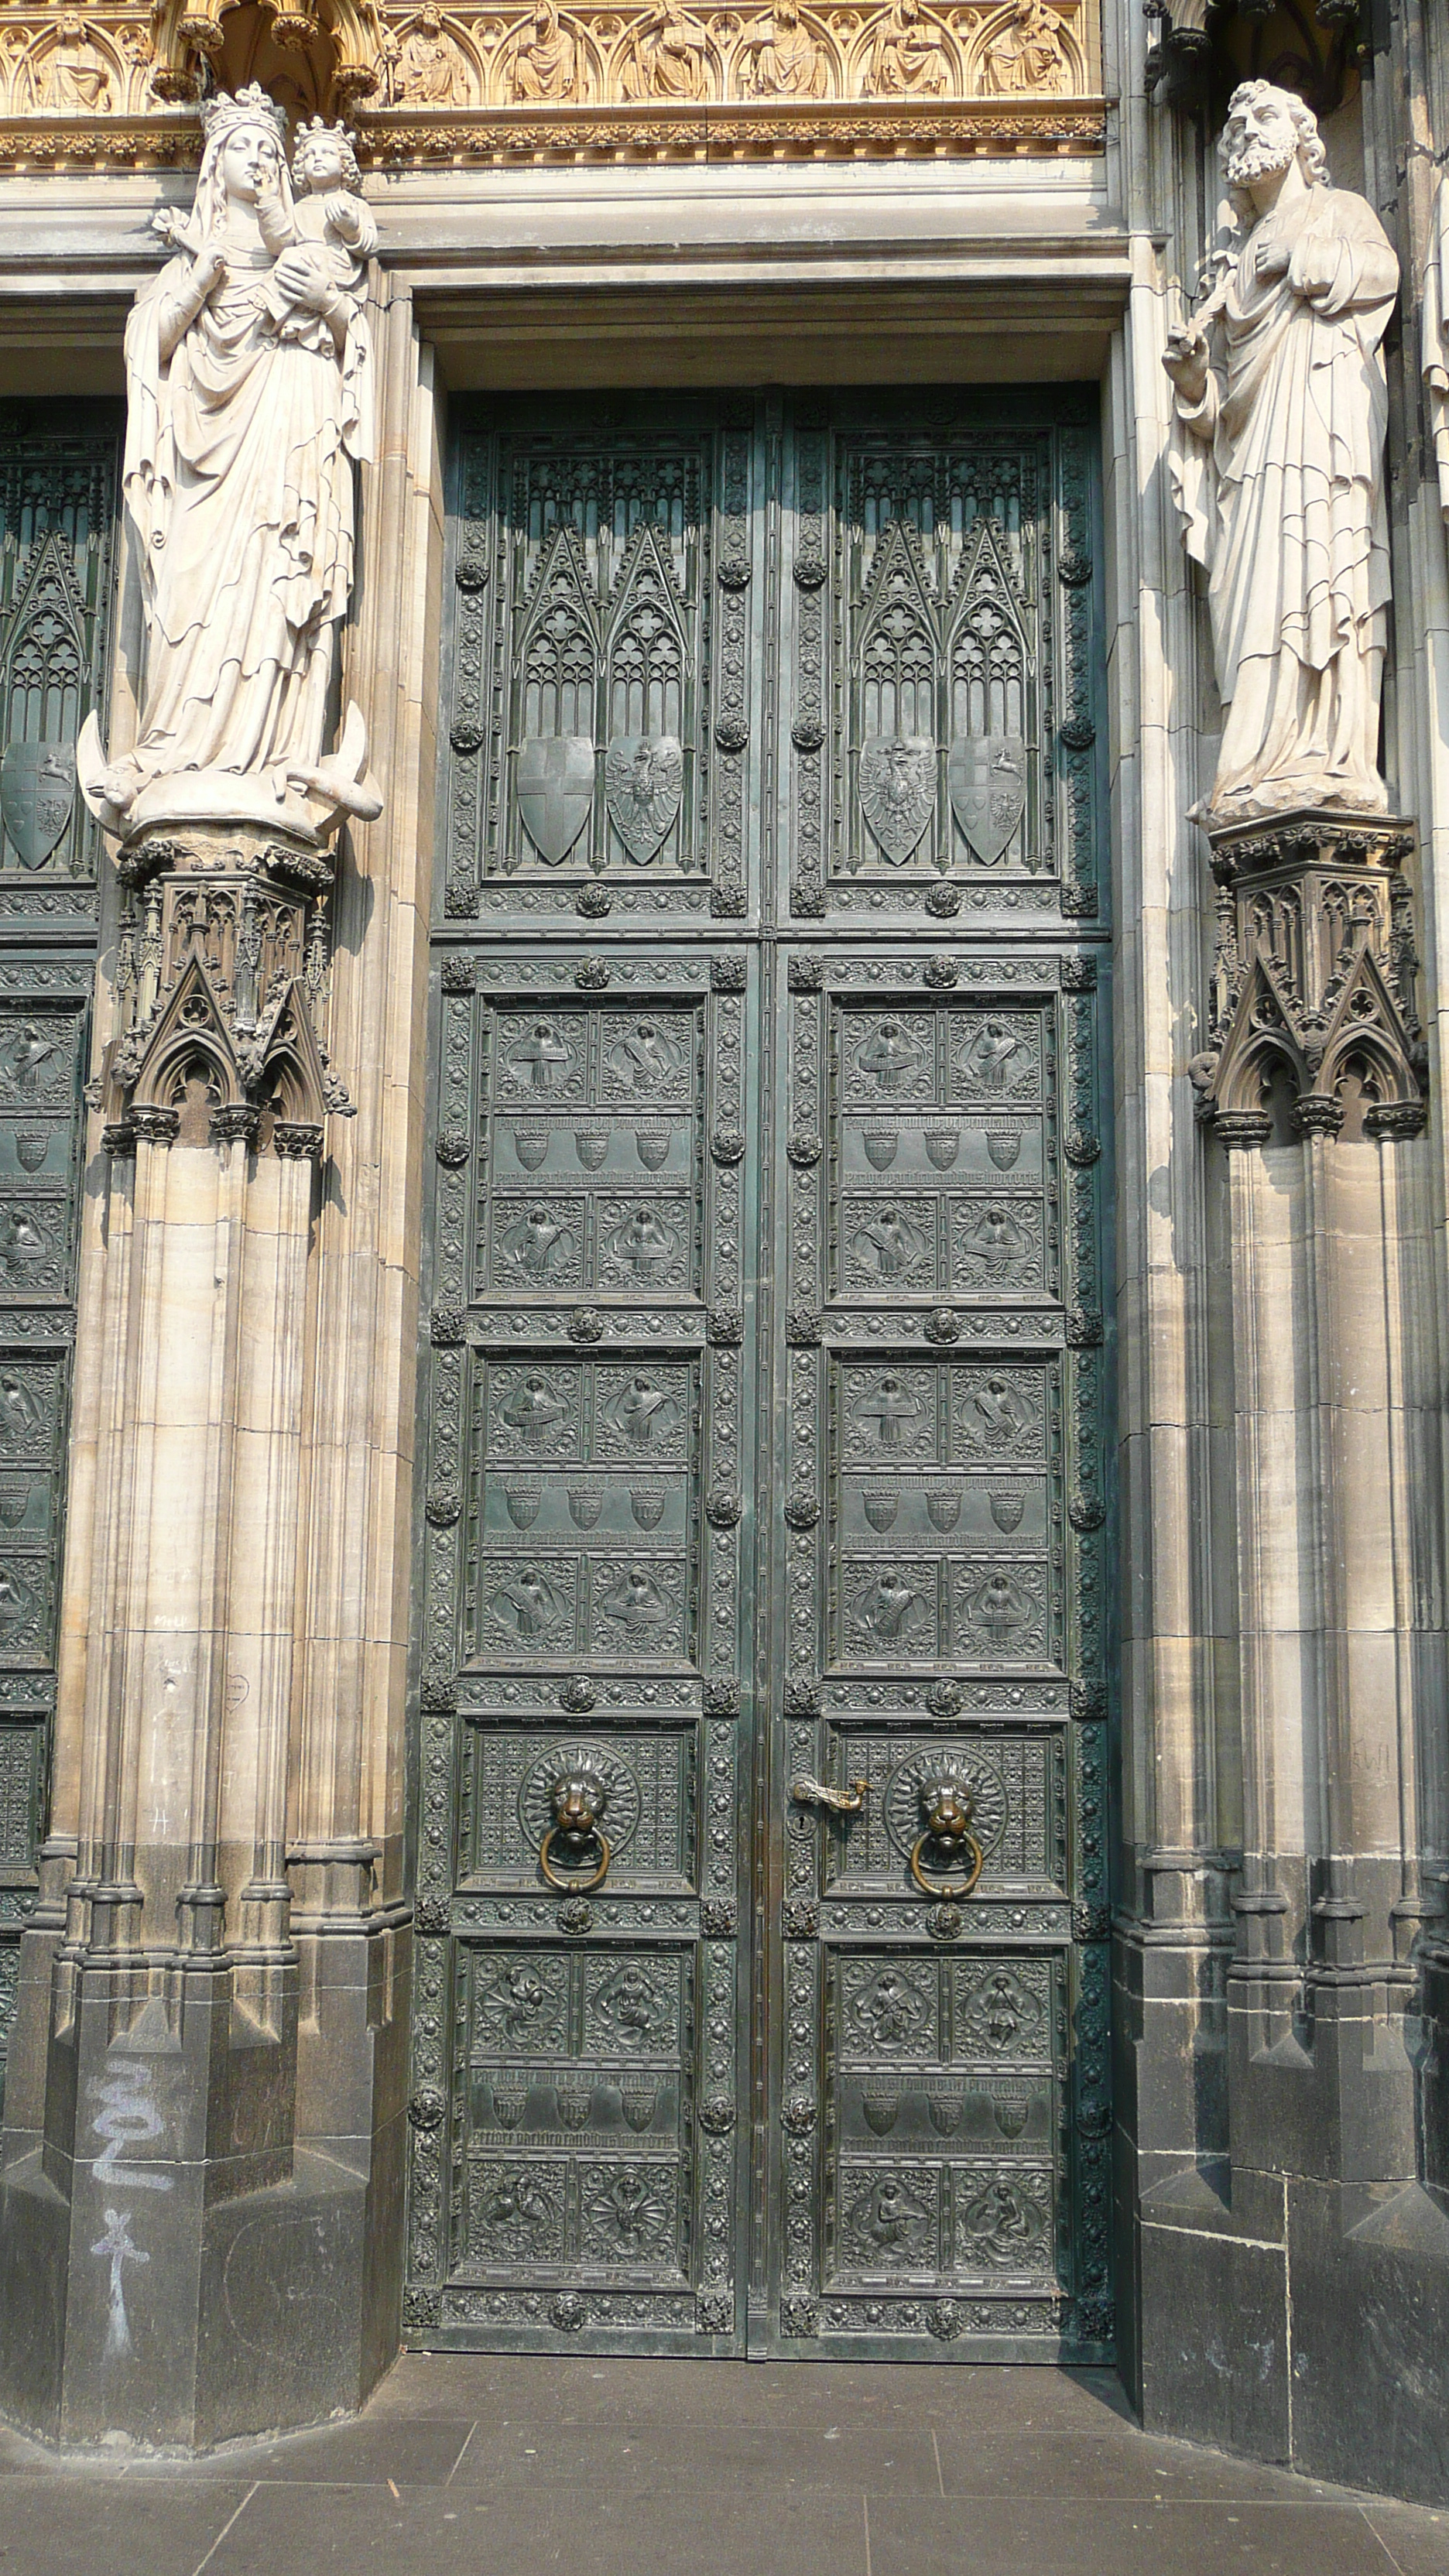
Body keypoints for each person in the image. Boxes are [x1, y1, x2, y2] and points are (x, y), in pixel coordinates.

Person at [89, 90, 373, 827]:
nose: (263, 158)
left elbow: (355, 348)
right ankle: (174, 751)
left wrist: (333, 306)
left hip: (285, 436)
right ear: (216, 161)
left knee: (276, 583)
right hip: (201, 457)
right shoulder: (198, 260)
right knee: (192, 595)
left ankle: (275, 754)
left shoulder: (310, 249)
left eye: (268, 149)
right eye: (246, 146)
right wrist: (201, 279)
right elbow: (147, 346)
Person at [1164, 82, 1398, 820]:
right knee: (1252, 593)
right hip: (1252, 454)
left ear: (1303, 137)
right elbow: (1215, 410)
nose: (1242, 132)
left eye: (1261, 117)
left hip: (1320, 430)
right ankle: (1252, 762)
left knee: (1319, 582)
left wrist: (1309, 255)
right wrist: (1194, 378)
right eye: (1232, 123)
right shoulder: (1230, 258)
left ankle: (1326, 755)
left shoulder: (1341, 211)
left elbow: (1383, 275)